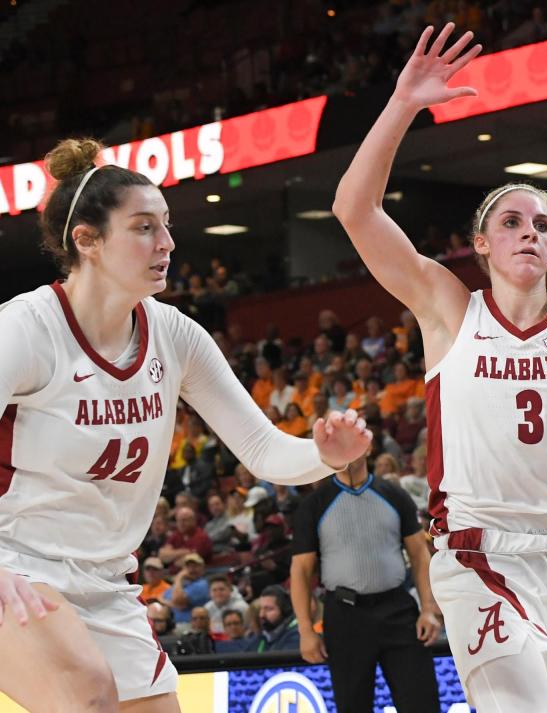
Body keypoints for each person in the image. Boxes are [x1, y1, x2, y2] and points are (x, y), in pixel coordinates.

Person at [0, 138, 373, 713]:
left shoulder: (175, 335)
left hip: (106, 581)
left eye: (167, 225)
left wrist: (327, 454)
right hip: (14, 563)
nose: (168, 242)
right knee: (87, 694)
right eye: (145, 227)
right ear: (88, 241)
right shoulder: (25, 329)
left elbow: (263, 451)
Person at [332, 24, 547, 713]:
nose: (528, 231)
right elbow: (354, 210)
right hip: (481, 553)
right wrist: (403, 105)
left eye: (540, 224)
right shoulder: (449, 308)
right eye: (511, 221)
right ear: (479, 244)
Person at [290, 452, 442, 712]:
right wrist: (305, 630)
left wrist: (428, 608)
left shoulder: (394, 494)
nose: (346, 450)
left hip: (397, 609)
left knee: (422, 702)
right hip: (345, 616)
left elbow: (419, 555)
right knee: (352, 706)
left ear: (367, 447)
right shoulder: (314, 504)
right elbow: (301, 571)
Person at [246, 585, 300, 652]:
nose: (261, 615)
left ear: (285, 610)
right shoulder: (262, 637)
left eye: (268, 609)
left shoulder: (296, 635)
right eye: (261, 609)